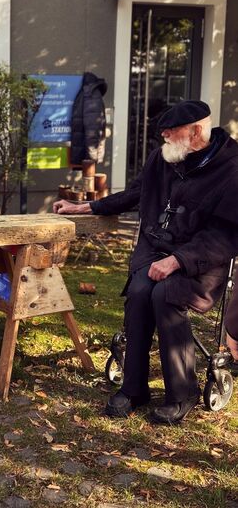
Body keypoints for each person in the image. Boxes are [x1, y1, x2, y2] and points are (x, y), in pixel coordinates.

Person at [54, 100, 238, 424]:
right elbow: (135, 193)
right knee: (140, 292)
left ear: (196, 131)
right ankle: (134, 388)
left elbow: (223, 237)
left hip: (201, 263)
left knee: (165, 296)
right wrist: (88, 207)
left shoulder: (232, 168)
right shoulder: (164, 157)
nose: (163, 135)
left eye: (171, 130)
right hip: (155, 252)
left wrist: (178, 260)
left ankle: (182, 393)